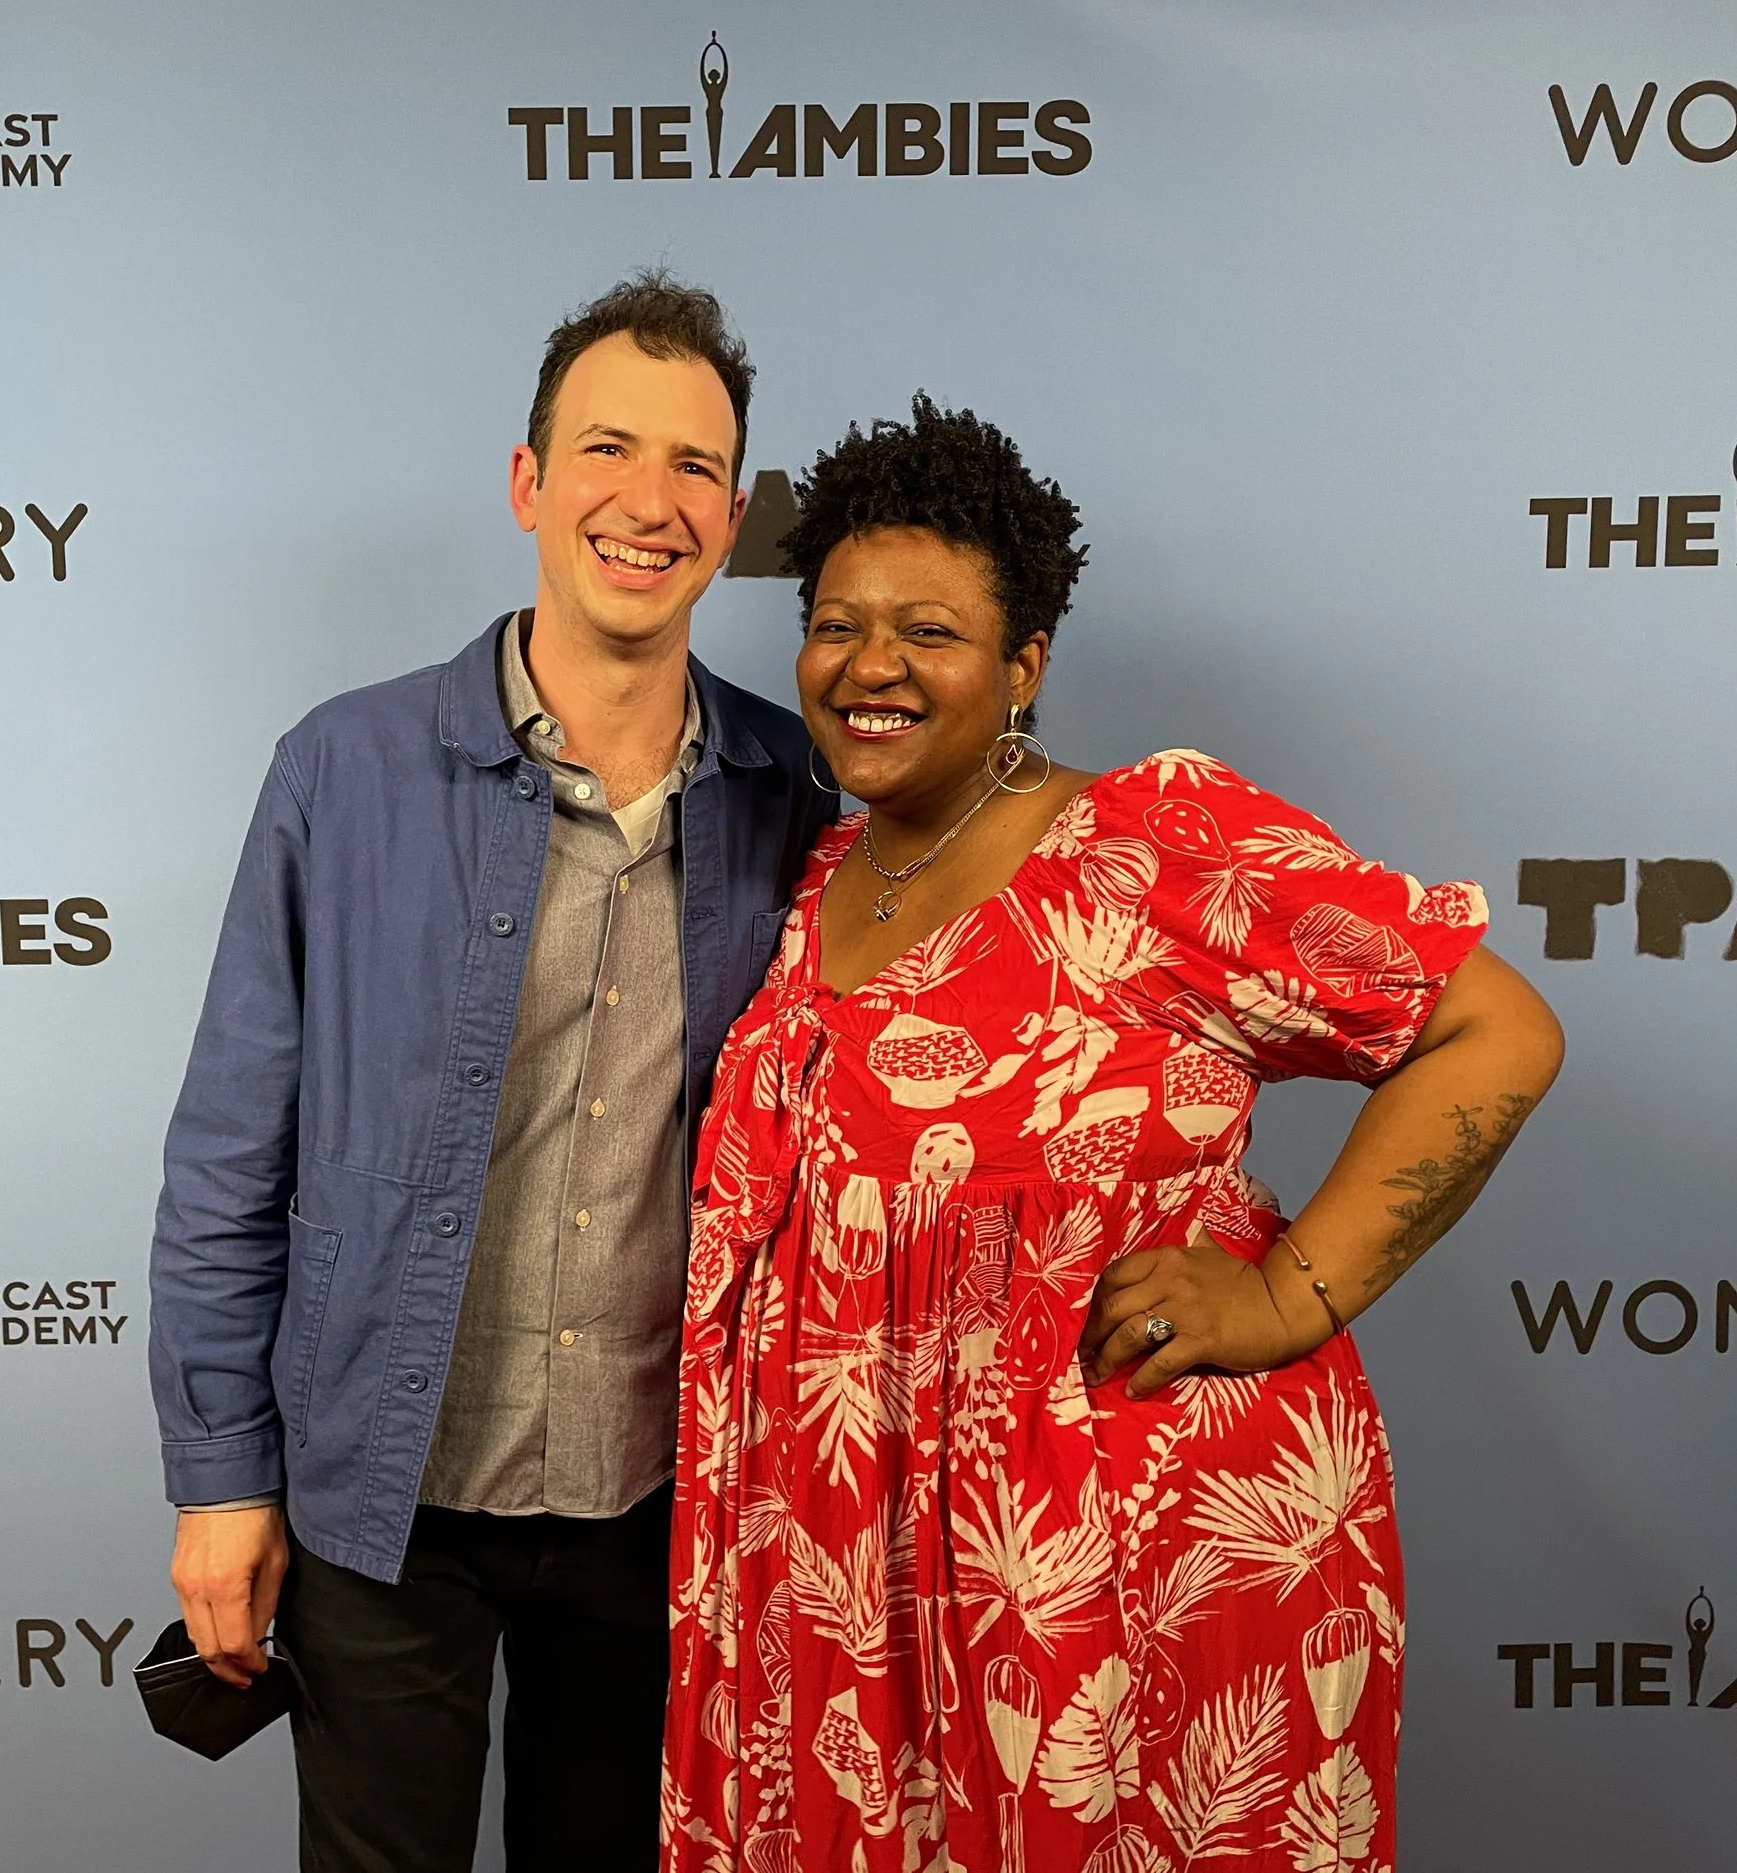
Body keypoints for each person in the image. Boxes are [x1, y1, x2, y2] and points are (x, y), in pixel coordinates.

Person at [664, 397, 1563, 1871]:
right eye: (835, 622)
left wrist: (1287, 1292)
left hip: (1107, 1577)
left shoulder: (1149, 847)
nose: (869, 664)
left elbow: (1498, 1031)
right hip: (846, 1575)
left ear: (1025, 663)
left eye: (930, 630)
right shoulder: (814, 869)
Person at [147, 271, 833, 1873]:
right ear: (529, 481)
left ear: (731, 519)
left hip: (662, 1511)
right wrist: (220, 1479)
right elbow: (228, 1161)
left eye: (693, 468)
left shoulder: (796, 794)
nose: (647, 501)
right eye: (607, 448)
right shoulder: (342, 769)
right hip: (389, 1503)